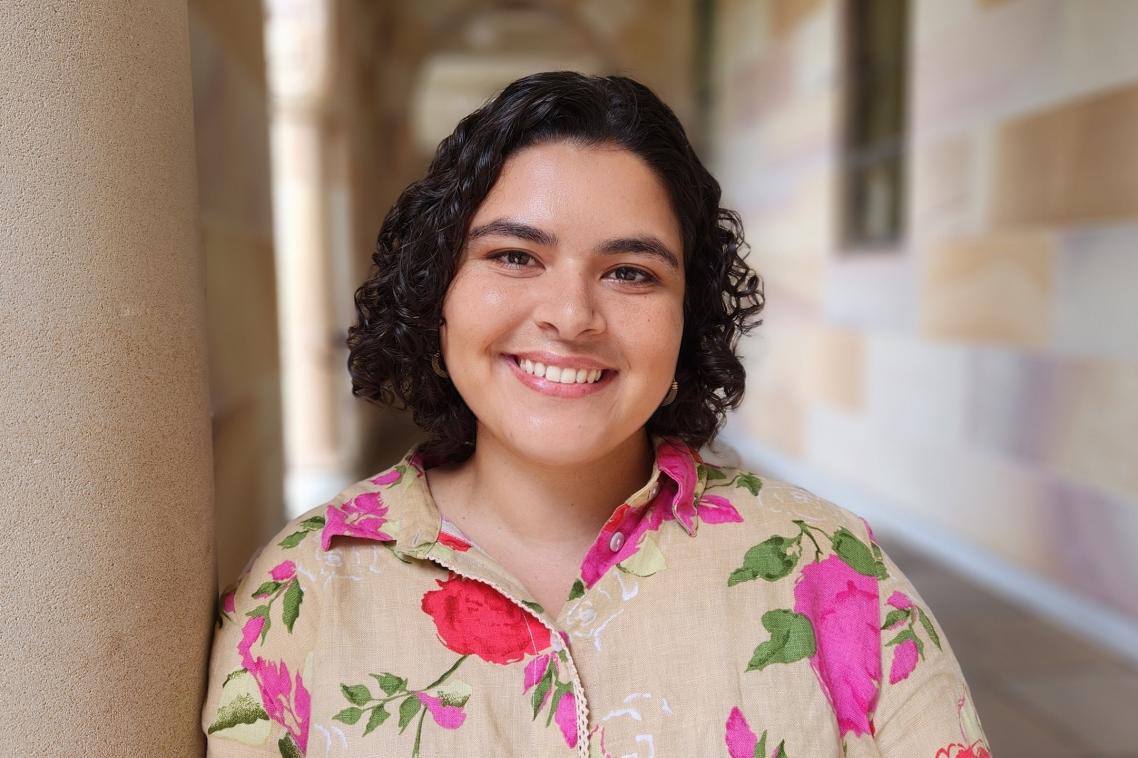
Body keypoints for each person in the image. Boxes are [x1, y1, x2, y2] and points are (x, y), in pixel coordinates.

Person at [202, 71, 991, 758]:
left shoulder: (830, 571)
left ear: (691, 315)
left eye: (630, 272)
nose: (572, 315)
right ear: (437, 289)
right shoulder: (298, 593)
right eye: (515, 256)